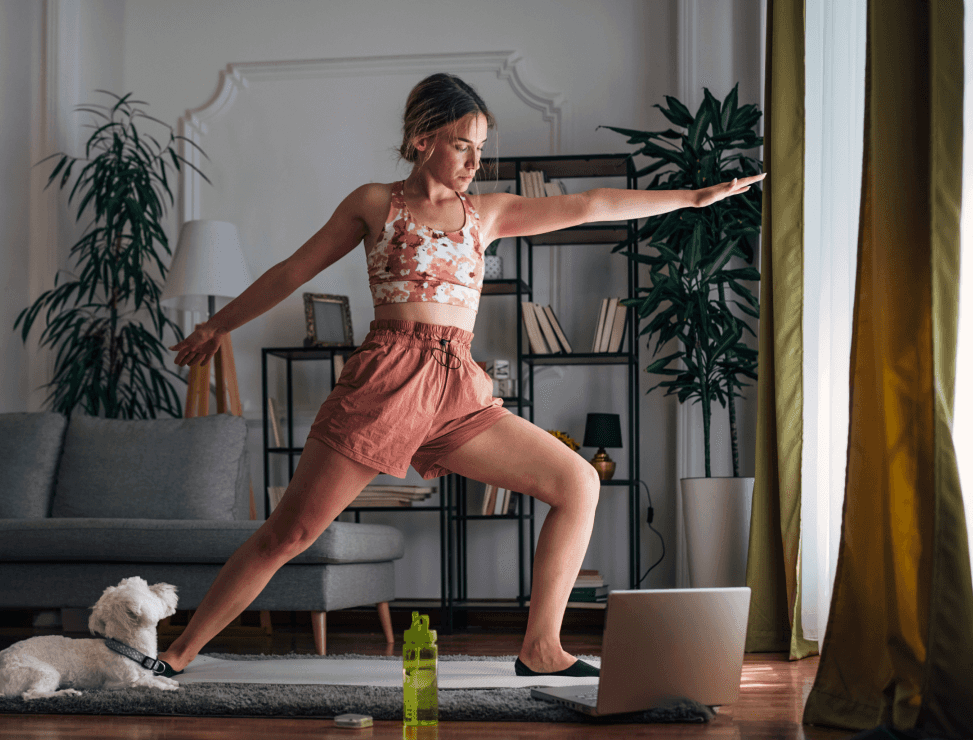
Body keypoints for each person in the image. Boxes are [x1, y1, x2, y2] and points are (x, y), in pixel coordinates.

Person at [153, 73, 764, 678]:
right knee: (290, 534)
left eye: (480, 147)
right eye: (462, 145)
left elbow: (590, 205)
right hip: (387, 379)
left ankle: (541, 648)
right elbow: (292, 271)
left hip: (457, 386)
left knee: (578, 483)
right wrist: (218, 325)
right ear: (423, 140)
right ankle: (176, 654)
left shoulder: (487, 214)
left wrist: (690, 198)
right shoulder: (375, 203)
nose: (475, 161)